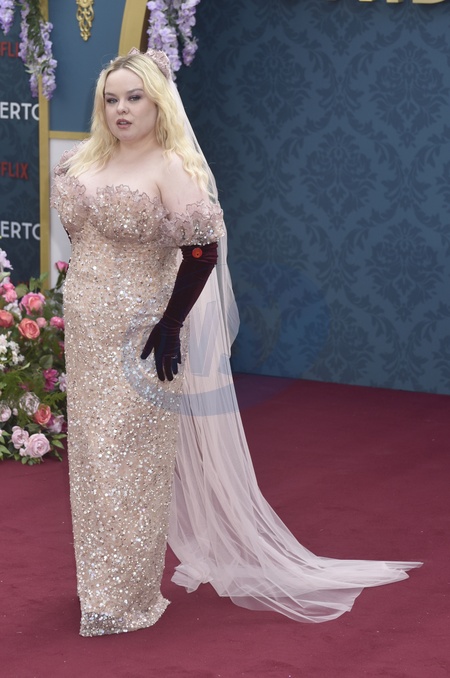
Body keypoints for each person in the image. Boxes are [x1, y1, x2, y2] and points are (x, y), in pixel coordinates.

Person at [51, 48, 421, 637]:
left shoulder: (171, 169)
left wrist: (171, 324)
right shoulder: (80, 161)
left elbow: (201, 252)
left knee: (131, 461)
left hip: (143, 335)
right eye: (111, 99)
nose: (122, 109)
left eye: (134, 97)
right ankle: (97, 588)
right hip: (87, 330)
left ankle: (126, 596)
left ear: (158, 102)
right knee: (93, 460)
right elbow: (83, 239)